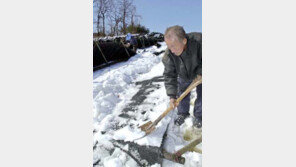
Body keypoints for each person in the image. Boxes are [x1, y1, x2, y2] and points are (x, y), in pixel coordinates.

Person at [162, 25, 202, 128]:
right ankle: (183, 113)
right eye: (168, 46)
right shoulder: (169, 55)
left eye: (173, 46)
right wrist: (172, 95)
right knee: (182, 93)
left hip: (200, 73)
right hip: (184, 74)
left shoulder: (199, 42)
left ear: (184, 41)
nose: (171, 50)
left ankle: (199, 116)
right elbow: (169, 75)